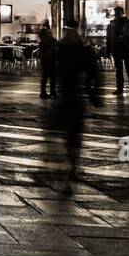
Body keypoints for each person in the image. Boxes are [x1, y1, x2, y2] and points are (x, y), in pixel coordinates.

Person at [54, 19, 100, 189]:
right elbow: (93, 73)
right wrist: (94, 94)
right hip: (75, 95)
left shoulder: (63, 48)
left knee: (67, 131)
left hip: (67, 94)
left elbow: (56, 70)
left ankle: (68, 163)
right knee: (74, 132)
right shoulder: (82, 49)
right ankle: (72, 164)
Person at [109, 6, 129, 95]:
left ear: (122, 12)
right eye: (115, 12)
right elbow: (109, 36)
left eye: (118, 12)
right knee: (119, 69)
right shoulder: (112, 23)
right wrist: (109, 48)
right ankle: (119, 88)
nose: (116, 14)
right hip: (117, 48)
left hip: (127, 48)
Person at [38, 21, 57, 98]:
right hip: (49, 57)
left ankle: (46, 92)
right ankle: (50, 92)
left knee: (47, 76)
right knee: (50, 75)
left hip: (46, 57)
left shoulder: (43, 34)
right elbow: (53, 42)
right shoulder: (46, 36)